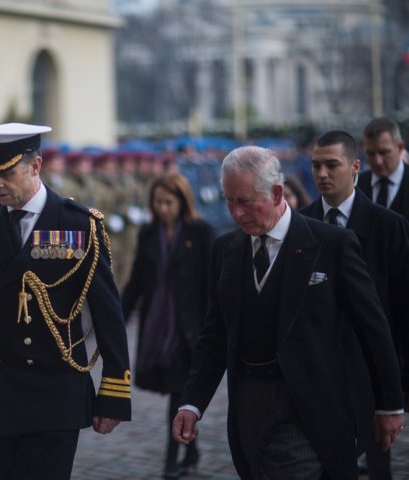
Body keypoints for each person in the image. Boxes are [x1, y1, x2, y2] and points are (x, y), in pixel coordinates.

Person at [172, 146, 404, 479]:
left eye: (246, 201)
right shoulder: (226, 250)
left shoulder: (332, 244)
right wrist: (192, 403)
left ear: (277, 192)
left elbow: (373, 327)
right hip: (247, 406)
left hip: (309, 407)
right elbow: (216, 335)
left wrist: (389, 404)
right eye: (229, 201)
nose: (236, 213)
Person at [0, 123, 132, 479]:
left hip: (57, 390)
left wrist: (113, 392)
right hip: (5, 393)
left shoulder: (78, 224)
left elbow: (108, 314)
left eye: (6, 174)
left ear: (35, 166)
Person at [300, 130, 409, 480]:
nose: (322, 174)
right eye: (316, 166)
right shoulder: (299, 226)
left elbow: (401, 311)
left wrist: (395, 393)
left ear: (355, 167)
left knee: (378, 466)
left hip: (371, 371)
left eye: (332, 165)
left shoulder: (389, 226)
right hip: (315, 373)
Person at [121, 173, 214, 479]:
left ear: (182, 201)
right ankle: (191, 449)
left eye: (168, 202)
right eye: (157, 202)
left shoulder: (200, 233)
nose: (162, 208)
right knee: (178, 392)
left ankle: (171, 459)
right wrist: (118, 317)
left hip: (189, 329)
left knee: (179, 394)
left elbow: (210, 284)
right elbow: (136, 281)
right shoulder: (148, 233)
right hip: (158, 327)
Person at [358, 117, 409, 220]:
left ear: (400, 147)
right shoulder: (356, 186)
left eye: (384, 153)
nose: (378, 161)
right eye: (371, 154)